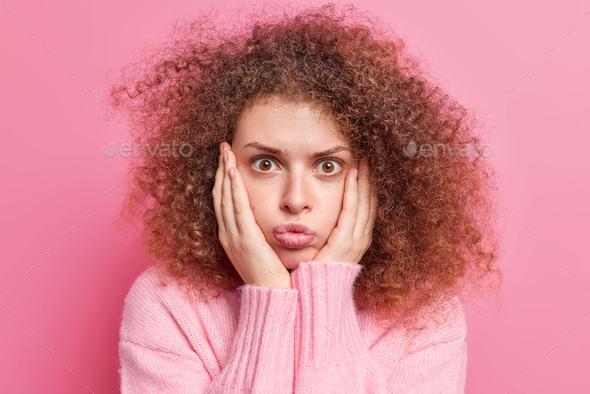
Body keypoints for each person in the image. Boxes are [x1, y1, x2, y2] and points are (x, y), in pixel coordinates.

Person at [106, 2, 503, 393]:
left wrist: (326, 292)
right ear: (218, 170)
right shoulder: (168, 305)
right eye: (265, 164)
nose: (295, 200)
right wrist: (268, 298)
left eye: (327, 166)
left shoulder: (423, 312)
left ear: (379, 178)